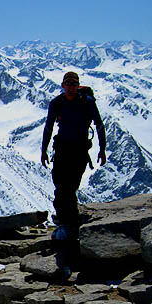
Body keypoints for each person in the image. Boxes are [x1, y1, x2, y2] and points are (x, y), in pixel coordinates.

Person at [40, 71, 106, 279]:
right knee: (61, 188)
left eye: (74, 84)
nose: (70, 87)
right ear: (62, 85)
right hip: (62, 152)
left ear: (78, 86)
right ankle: (68, 226)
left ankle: (68, 228)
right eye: (67, 84)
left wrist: (102, 149)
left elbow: (99, 125)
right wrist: (43, 150)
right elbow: (49, 127)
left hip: (78, 152)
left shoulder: (86, 103)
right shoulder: (56, 103)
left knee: (68, 189)